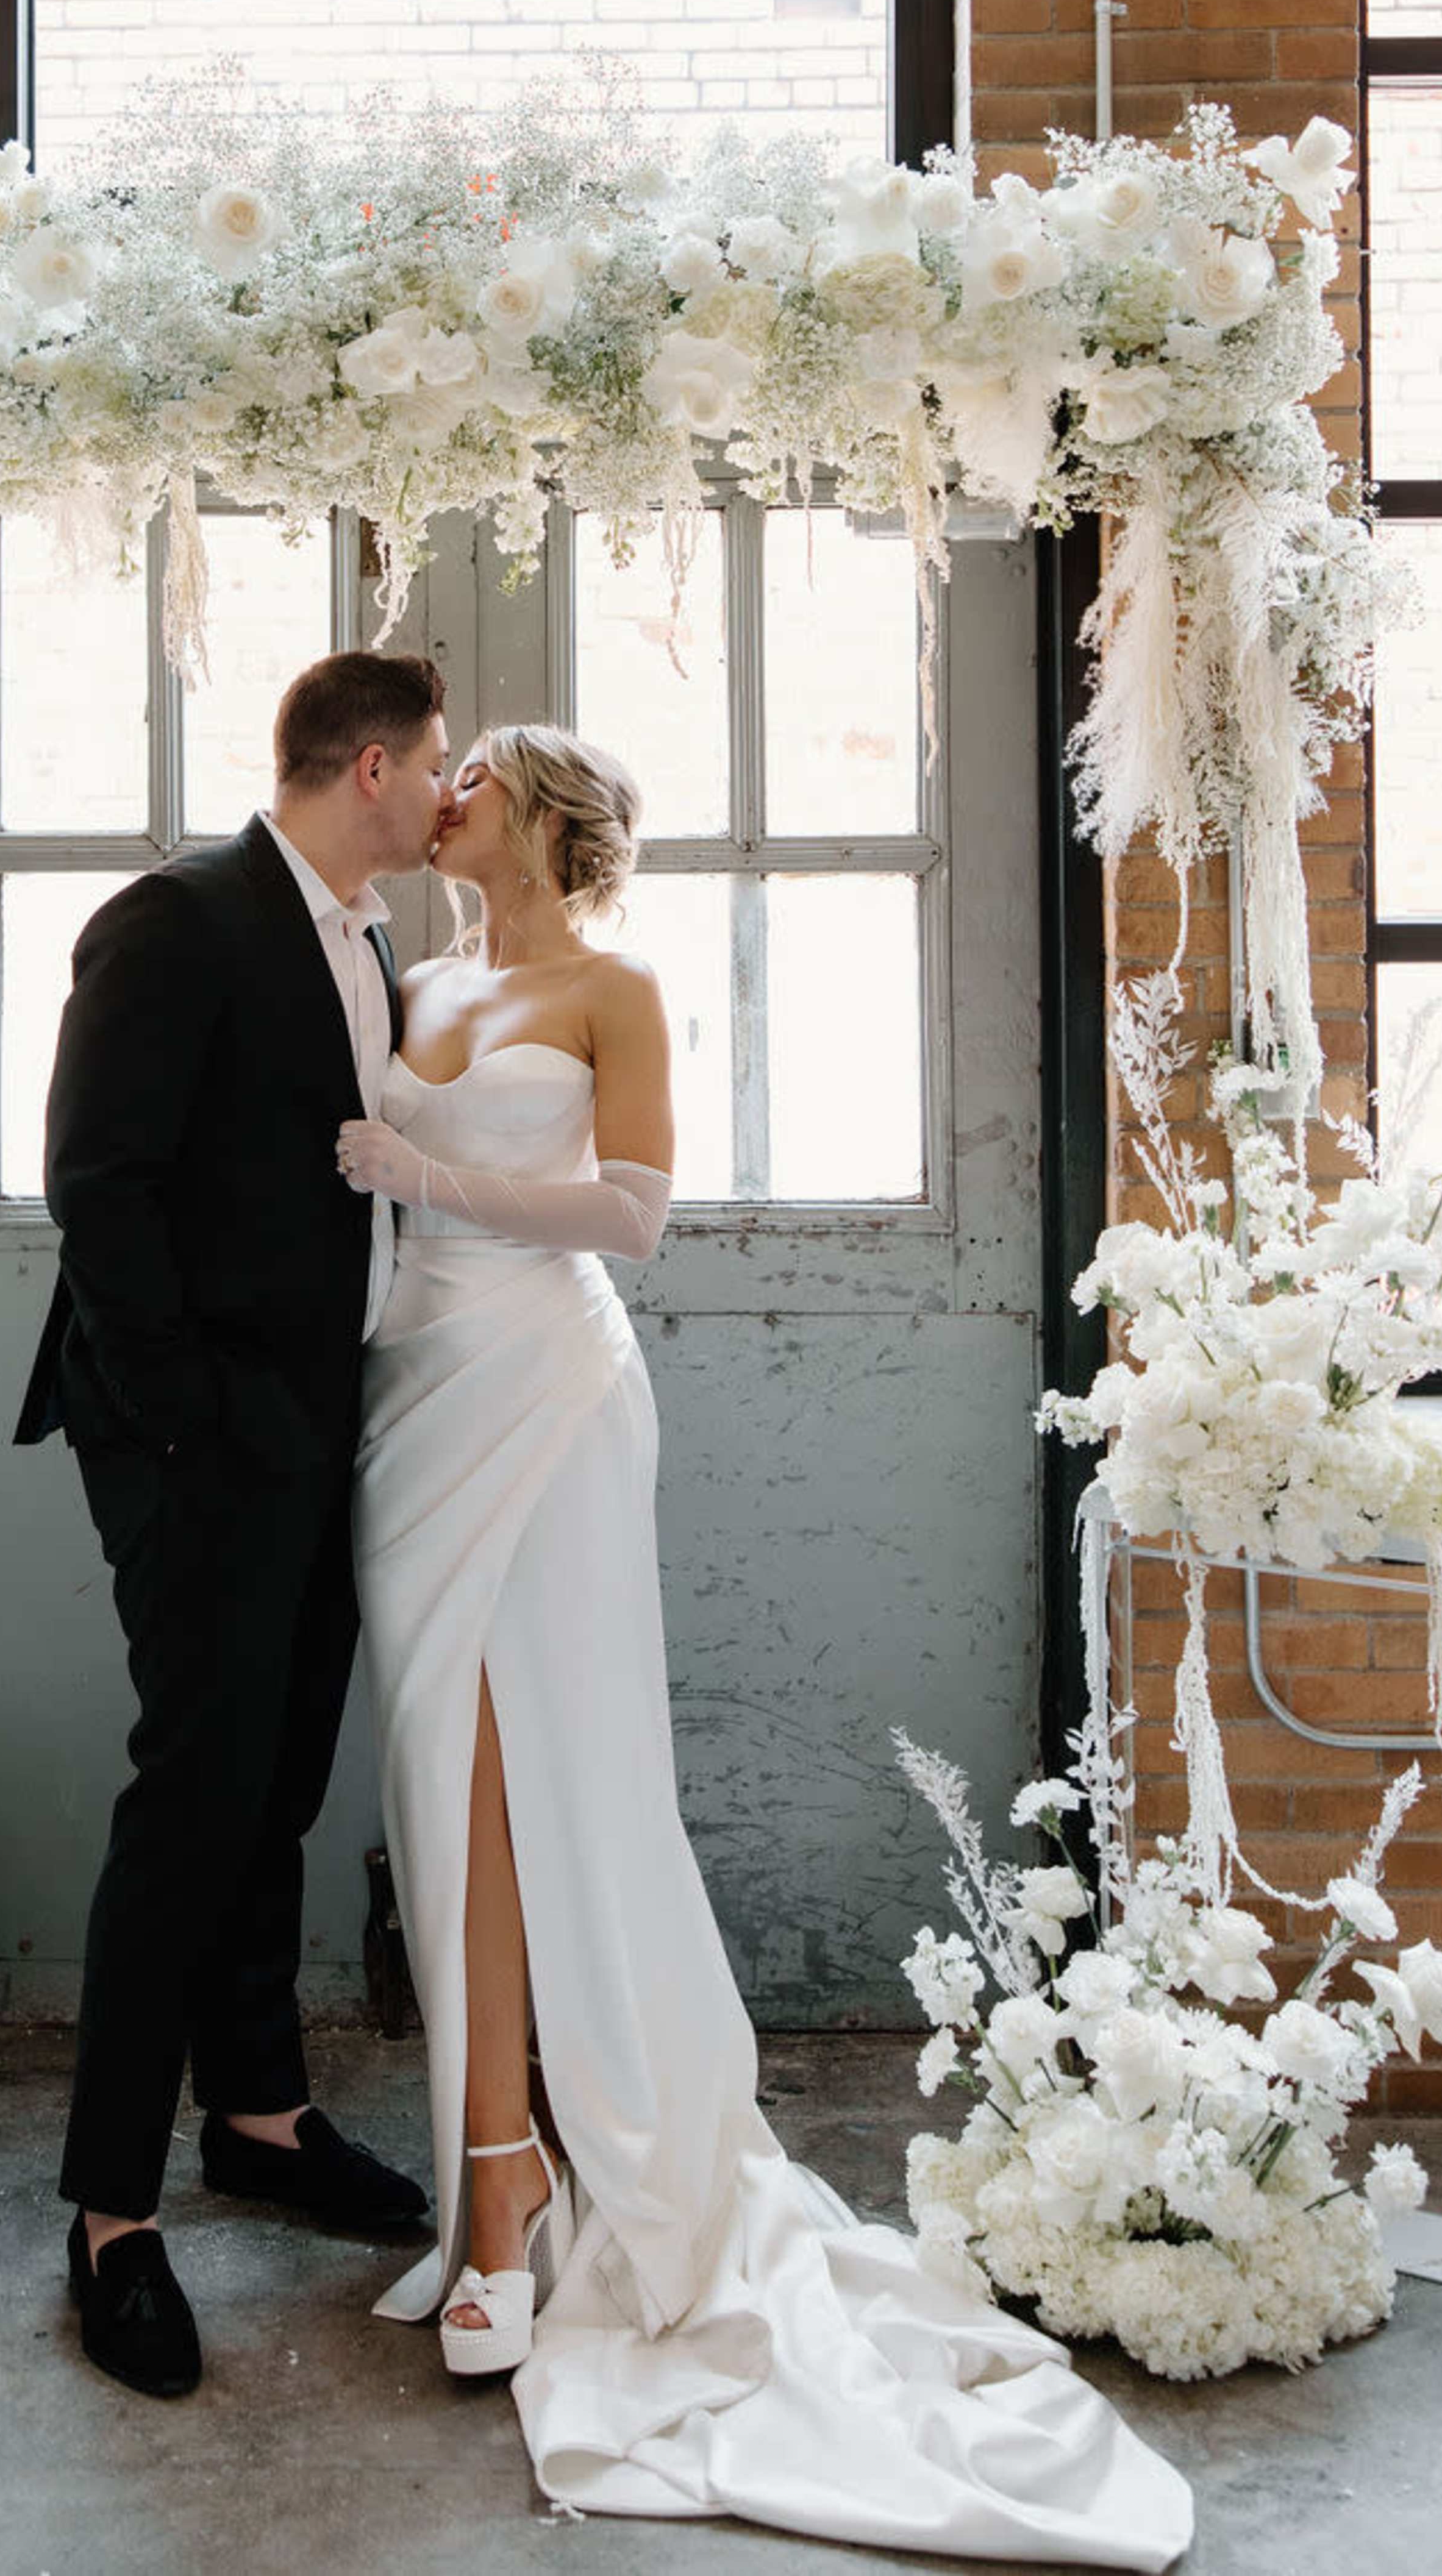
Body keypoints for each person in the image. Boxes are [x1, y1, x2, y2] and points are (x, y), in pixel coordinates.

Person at [335, 724, 1192, 2566]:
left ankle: (517, 2188)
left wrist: (420, 1174)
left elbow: (634, 1214)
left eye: (472, 769)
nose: (440, 790)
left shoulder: (615, 987)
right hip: (411, 1403)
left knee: (549, 1770)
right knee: (437, 1769)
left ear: (548, 811)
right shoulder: (421, 972)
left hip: (549, 1389)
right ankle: (500, 2154)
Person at [15, 649, 448, 2399]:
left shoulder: (368, 937)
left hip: (321, 1424)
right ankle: (111, 2217)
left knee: (275, 1779)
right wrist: (191, 1420)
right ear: (365, 767)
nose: (448, 795)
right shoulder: (177, 918)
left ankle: (259, 2121)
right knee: (194, 1797)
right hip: (193, 1439)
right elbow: (94, 1182)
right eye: (433, 767)